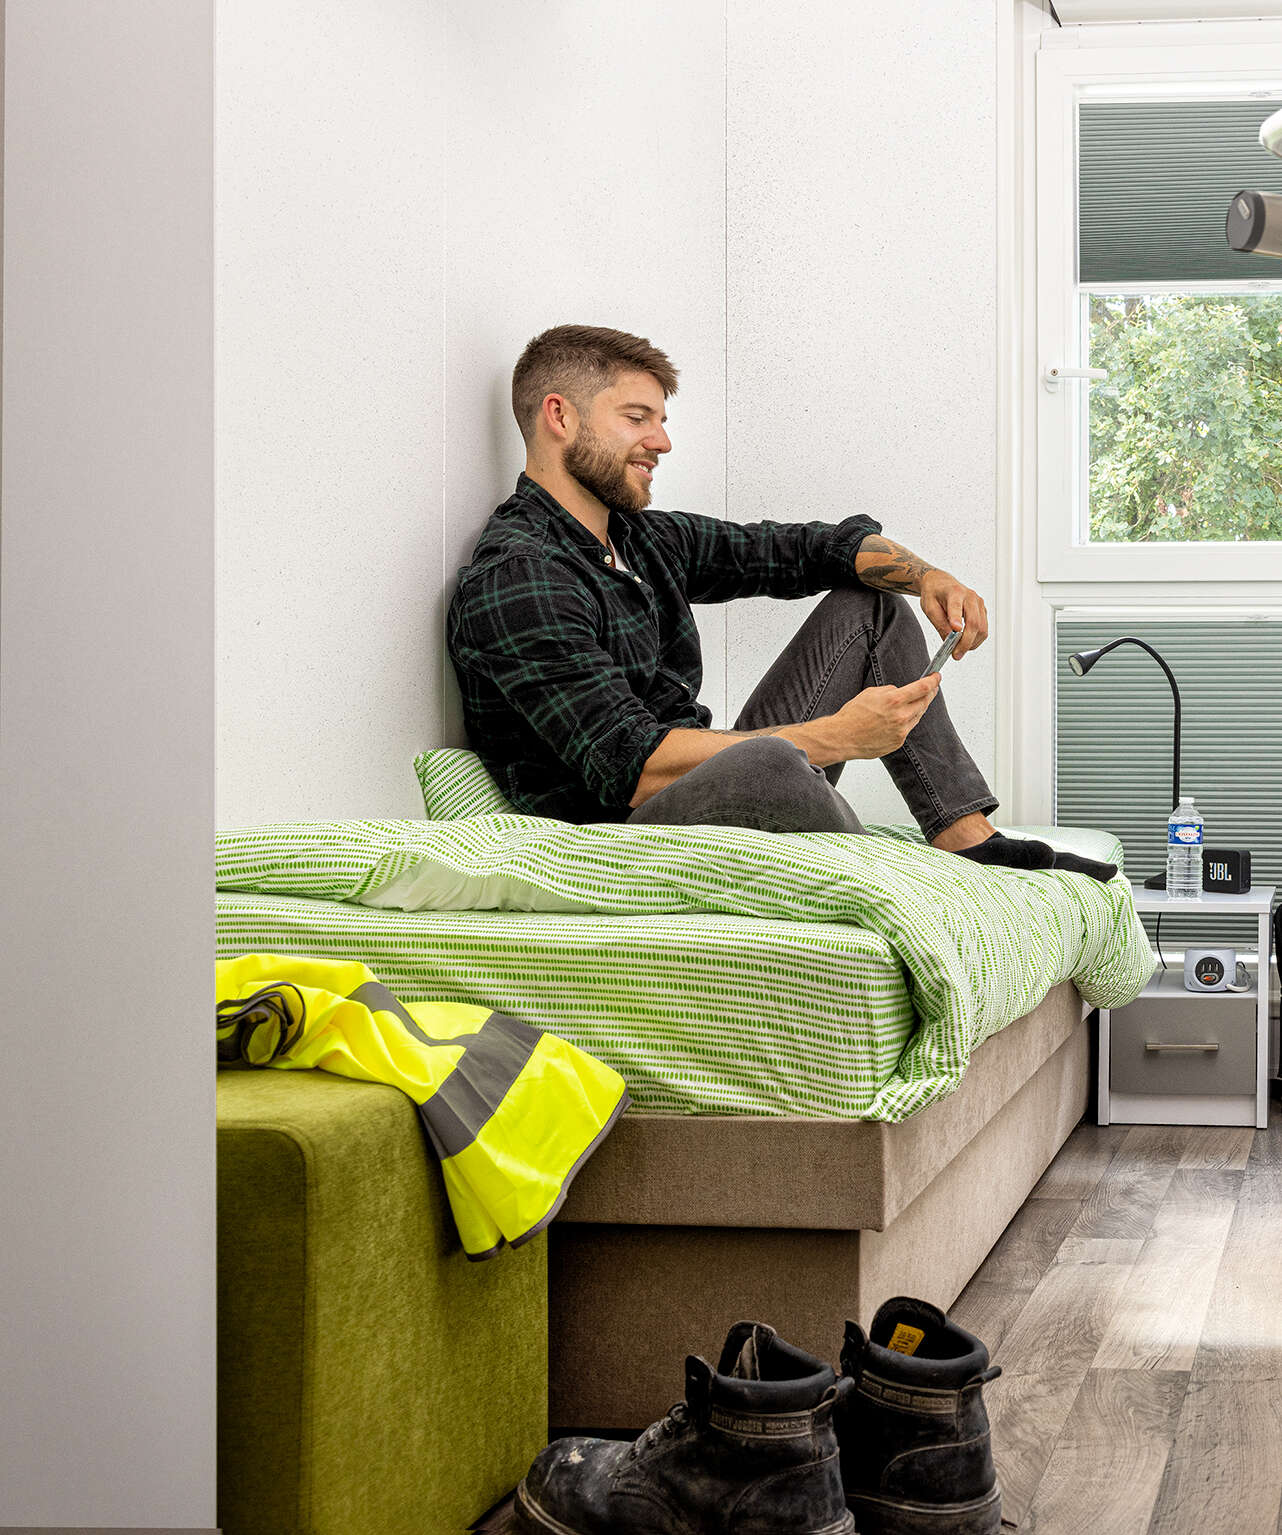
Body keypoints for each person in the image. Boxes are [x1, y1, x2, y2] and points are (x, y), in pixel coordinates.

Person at [448, 324, 1114, 879]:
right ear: (559, 415)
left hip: (700, 797)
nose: (662, 441)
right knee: (769, 760)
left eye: (661, 419)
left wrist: (926, 576)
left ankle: (965, 832)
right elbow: (632, 767)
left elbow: (797, 550)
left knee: (871, 605)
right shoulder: (519, 577)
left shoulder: (640, 539)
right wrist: (835, 737)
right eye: (636, 418)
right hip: (626, 842)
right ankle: (873, 882)